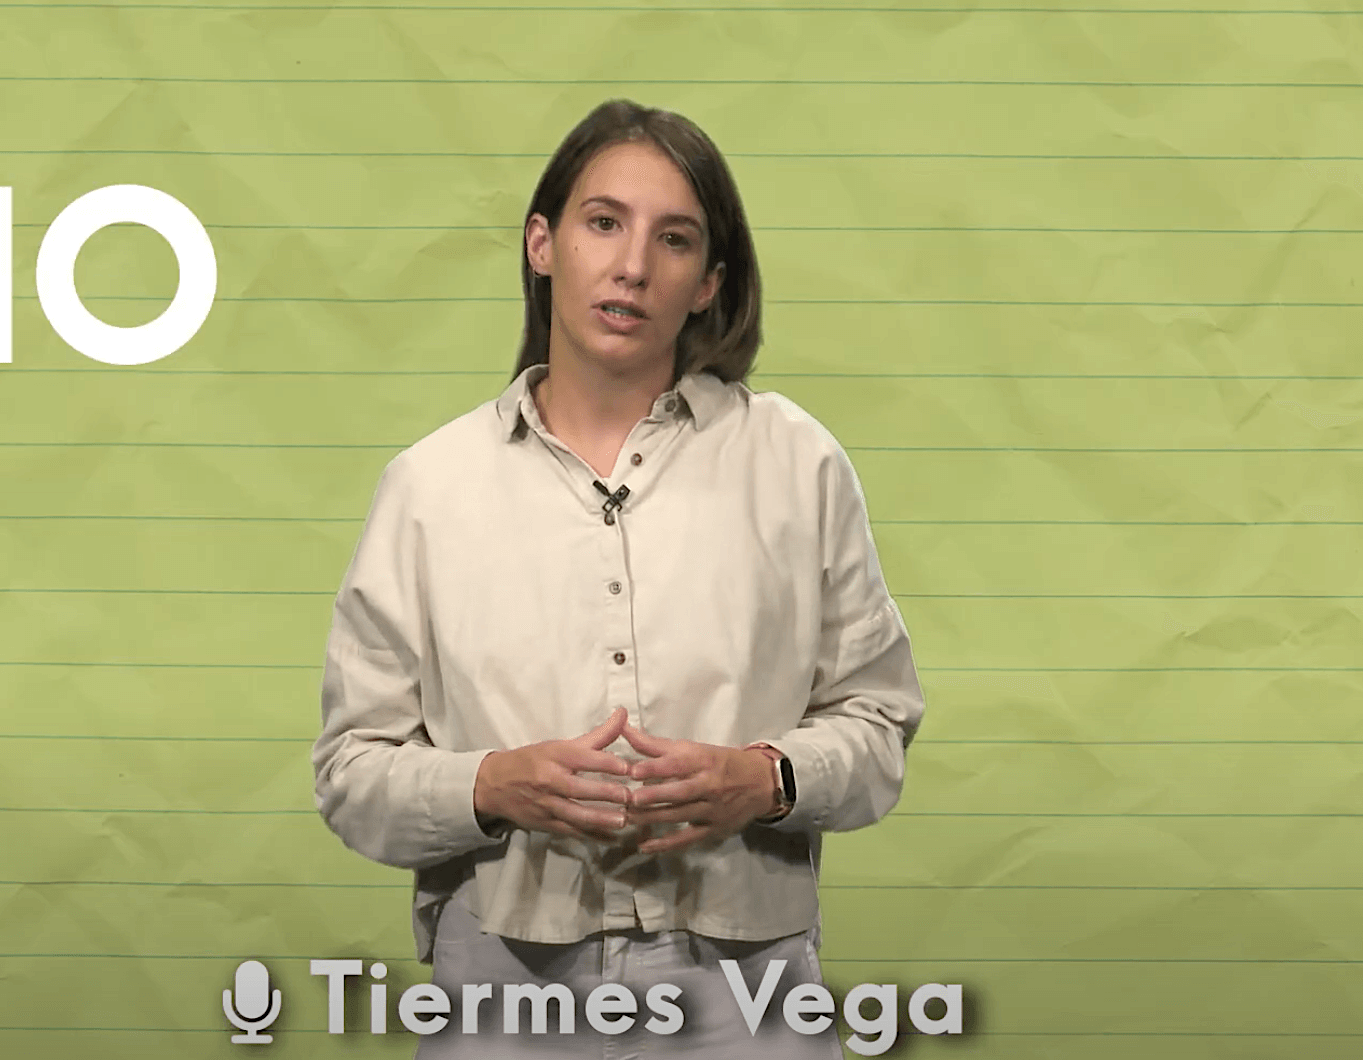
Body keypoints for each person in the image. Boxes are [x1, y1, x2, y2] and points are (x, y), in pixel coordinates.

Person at [312, 98, 926, 1058]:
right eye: (604, 222)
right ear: (541, 244)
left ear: (709, 283)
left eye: (673, 239)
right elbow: (351, 772)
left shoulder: (796, 463)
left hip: (746, 989)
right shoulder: (430, 486)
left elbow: (878, 725)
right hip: (503, 988)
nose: (633, 265)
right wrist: (490, 785)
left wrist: (766, 780)